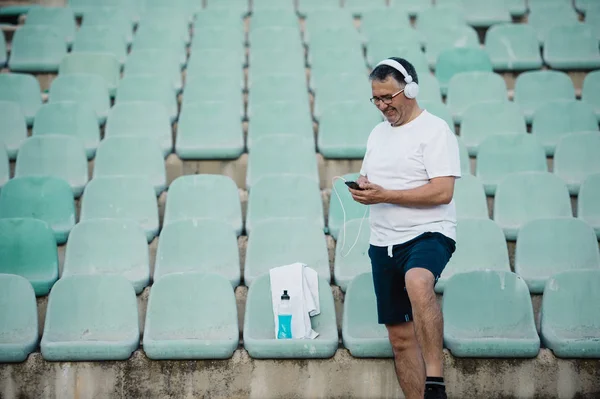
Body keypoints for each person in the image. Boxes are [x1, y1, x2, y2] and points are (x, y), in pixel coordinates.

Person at [348, 57, 461, 399]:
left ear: (409, 90)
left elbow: (443, 192)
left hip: (428, 233)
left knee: (418, 280)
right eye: (376, 99)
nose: (383, 106)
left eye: (388, 97)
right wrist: (366, 187)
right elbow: (378, 179)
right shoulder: (377, 133)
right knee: (399, 338)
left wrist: (388, 194)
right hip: (383, 243)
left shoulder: (435, 130)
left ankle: (436, 382)